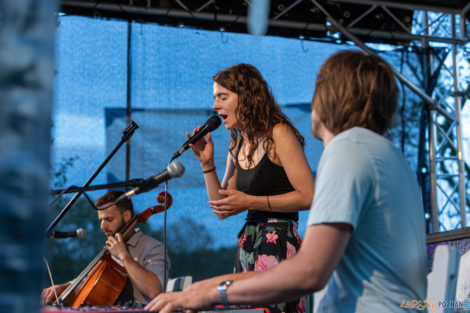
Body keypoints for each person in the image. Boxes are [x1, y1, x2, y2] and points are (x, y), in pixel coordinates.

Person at [145, 50, 428, 313]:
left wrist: (208, 293)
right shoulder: (388, 154)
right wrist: (208, 166)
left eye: (317, 89)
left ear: (330, 98)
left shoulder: (348, 149)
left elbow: (309, 272)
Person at [186, 63, 315, 313]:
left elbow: (309, 195)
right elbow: (222, 208)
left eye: (223, 97)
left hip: (278, 240)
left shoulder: (279, 133)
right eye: (215, 98)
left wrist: (251, 202)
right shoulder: (236, 147)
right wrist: (207, 164)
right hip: (248, 244)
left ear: (246, 97)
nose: (215, 105)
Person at [41, 190, 169, 305]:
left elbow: (155, 291)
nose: (102, 226)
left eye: (109, 219)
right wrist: (63, 288)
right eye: (101, 220)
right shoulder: (111, 248)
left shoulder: (153, 247)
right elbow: (88, 281)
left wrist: (124, 256)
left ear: (127, 216)